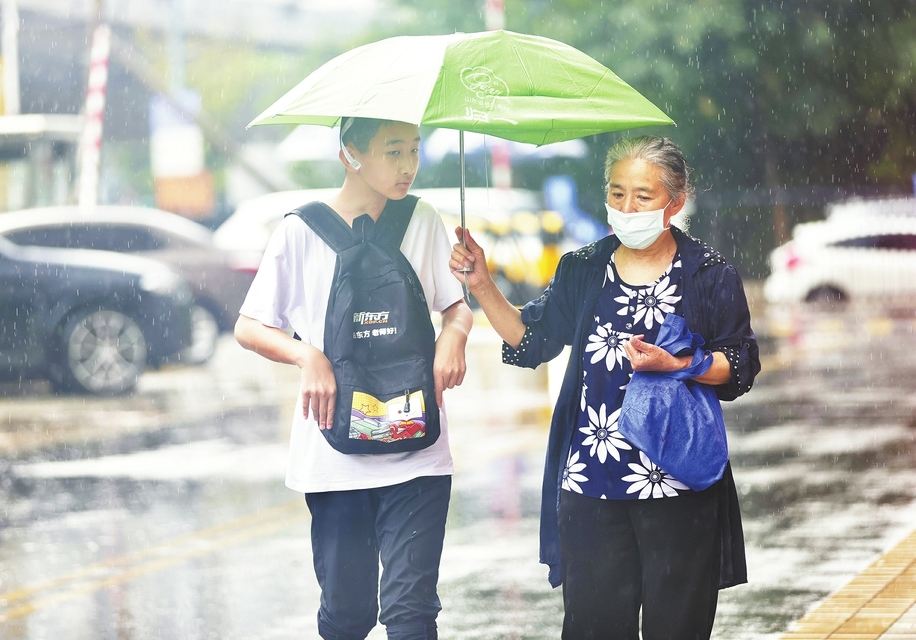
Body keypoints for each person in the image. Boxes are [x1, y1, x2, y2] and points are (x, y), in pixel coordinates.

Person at [449, 135, 759, 640]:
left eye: (642, 196)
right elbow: (531, 340)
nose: (626, 207)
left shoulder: (708, 274)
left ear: (675, 203)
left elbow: (739, 364)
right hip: (591, 484)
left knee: (676, 628)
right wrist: (482, 284)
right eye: (617, 194)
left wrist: (680, 363)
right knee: (594, 629)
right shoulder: (584, 267)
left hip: (679, 480)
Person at [235, 117, 472, 640]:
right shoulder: (299, 230)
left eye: (413, 149)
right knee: (347, 616)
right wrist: (307, 358)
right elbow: (248, 326)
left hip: (418, 451)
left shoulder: (423, 220)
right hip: (333, 456)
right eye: (394, 152)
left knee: (412, 615)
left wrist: (453, 336)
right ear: (350, 154)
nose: (409, 165)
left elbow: (456, 307)